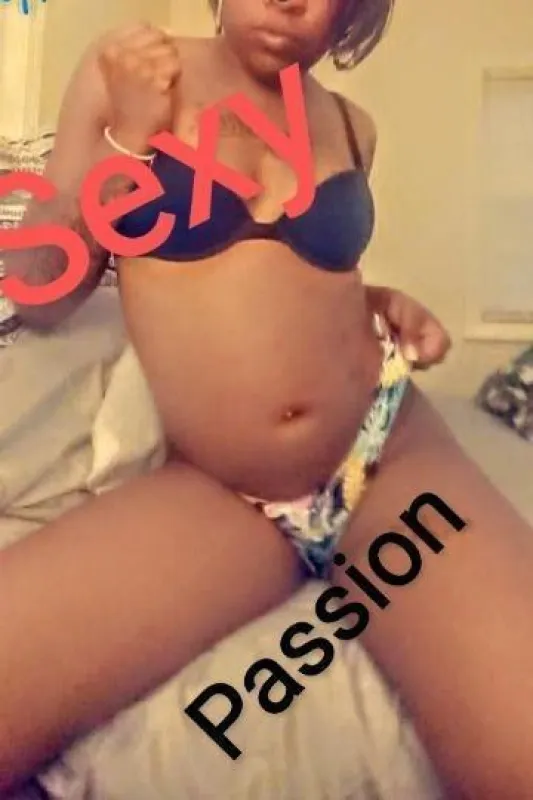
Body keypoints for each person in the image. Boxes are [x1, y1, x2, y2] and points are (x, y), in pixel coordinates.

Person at [2, 1, 533, 797]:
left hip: (386, 451)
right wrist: (127, 140)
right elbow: (39, 296)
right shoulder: (133, 72)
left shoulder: (351, 127)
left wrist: (378, 302)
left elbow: (297, 280)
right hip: (225, 492)